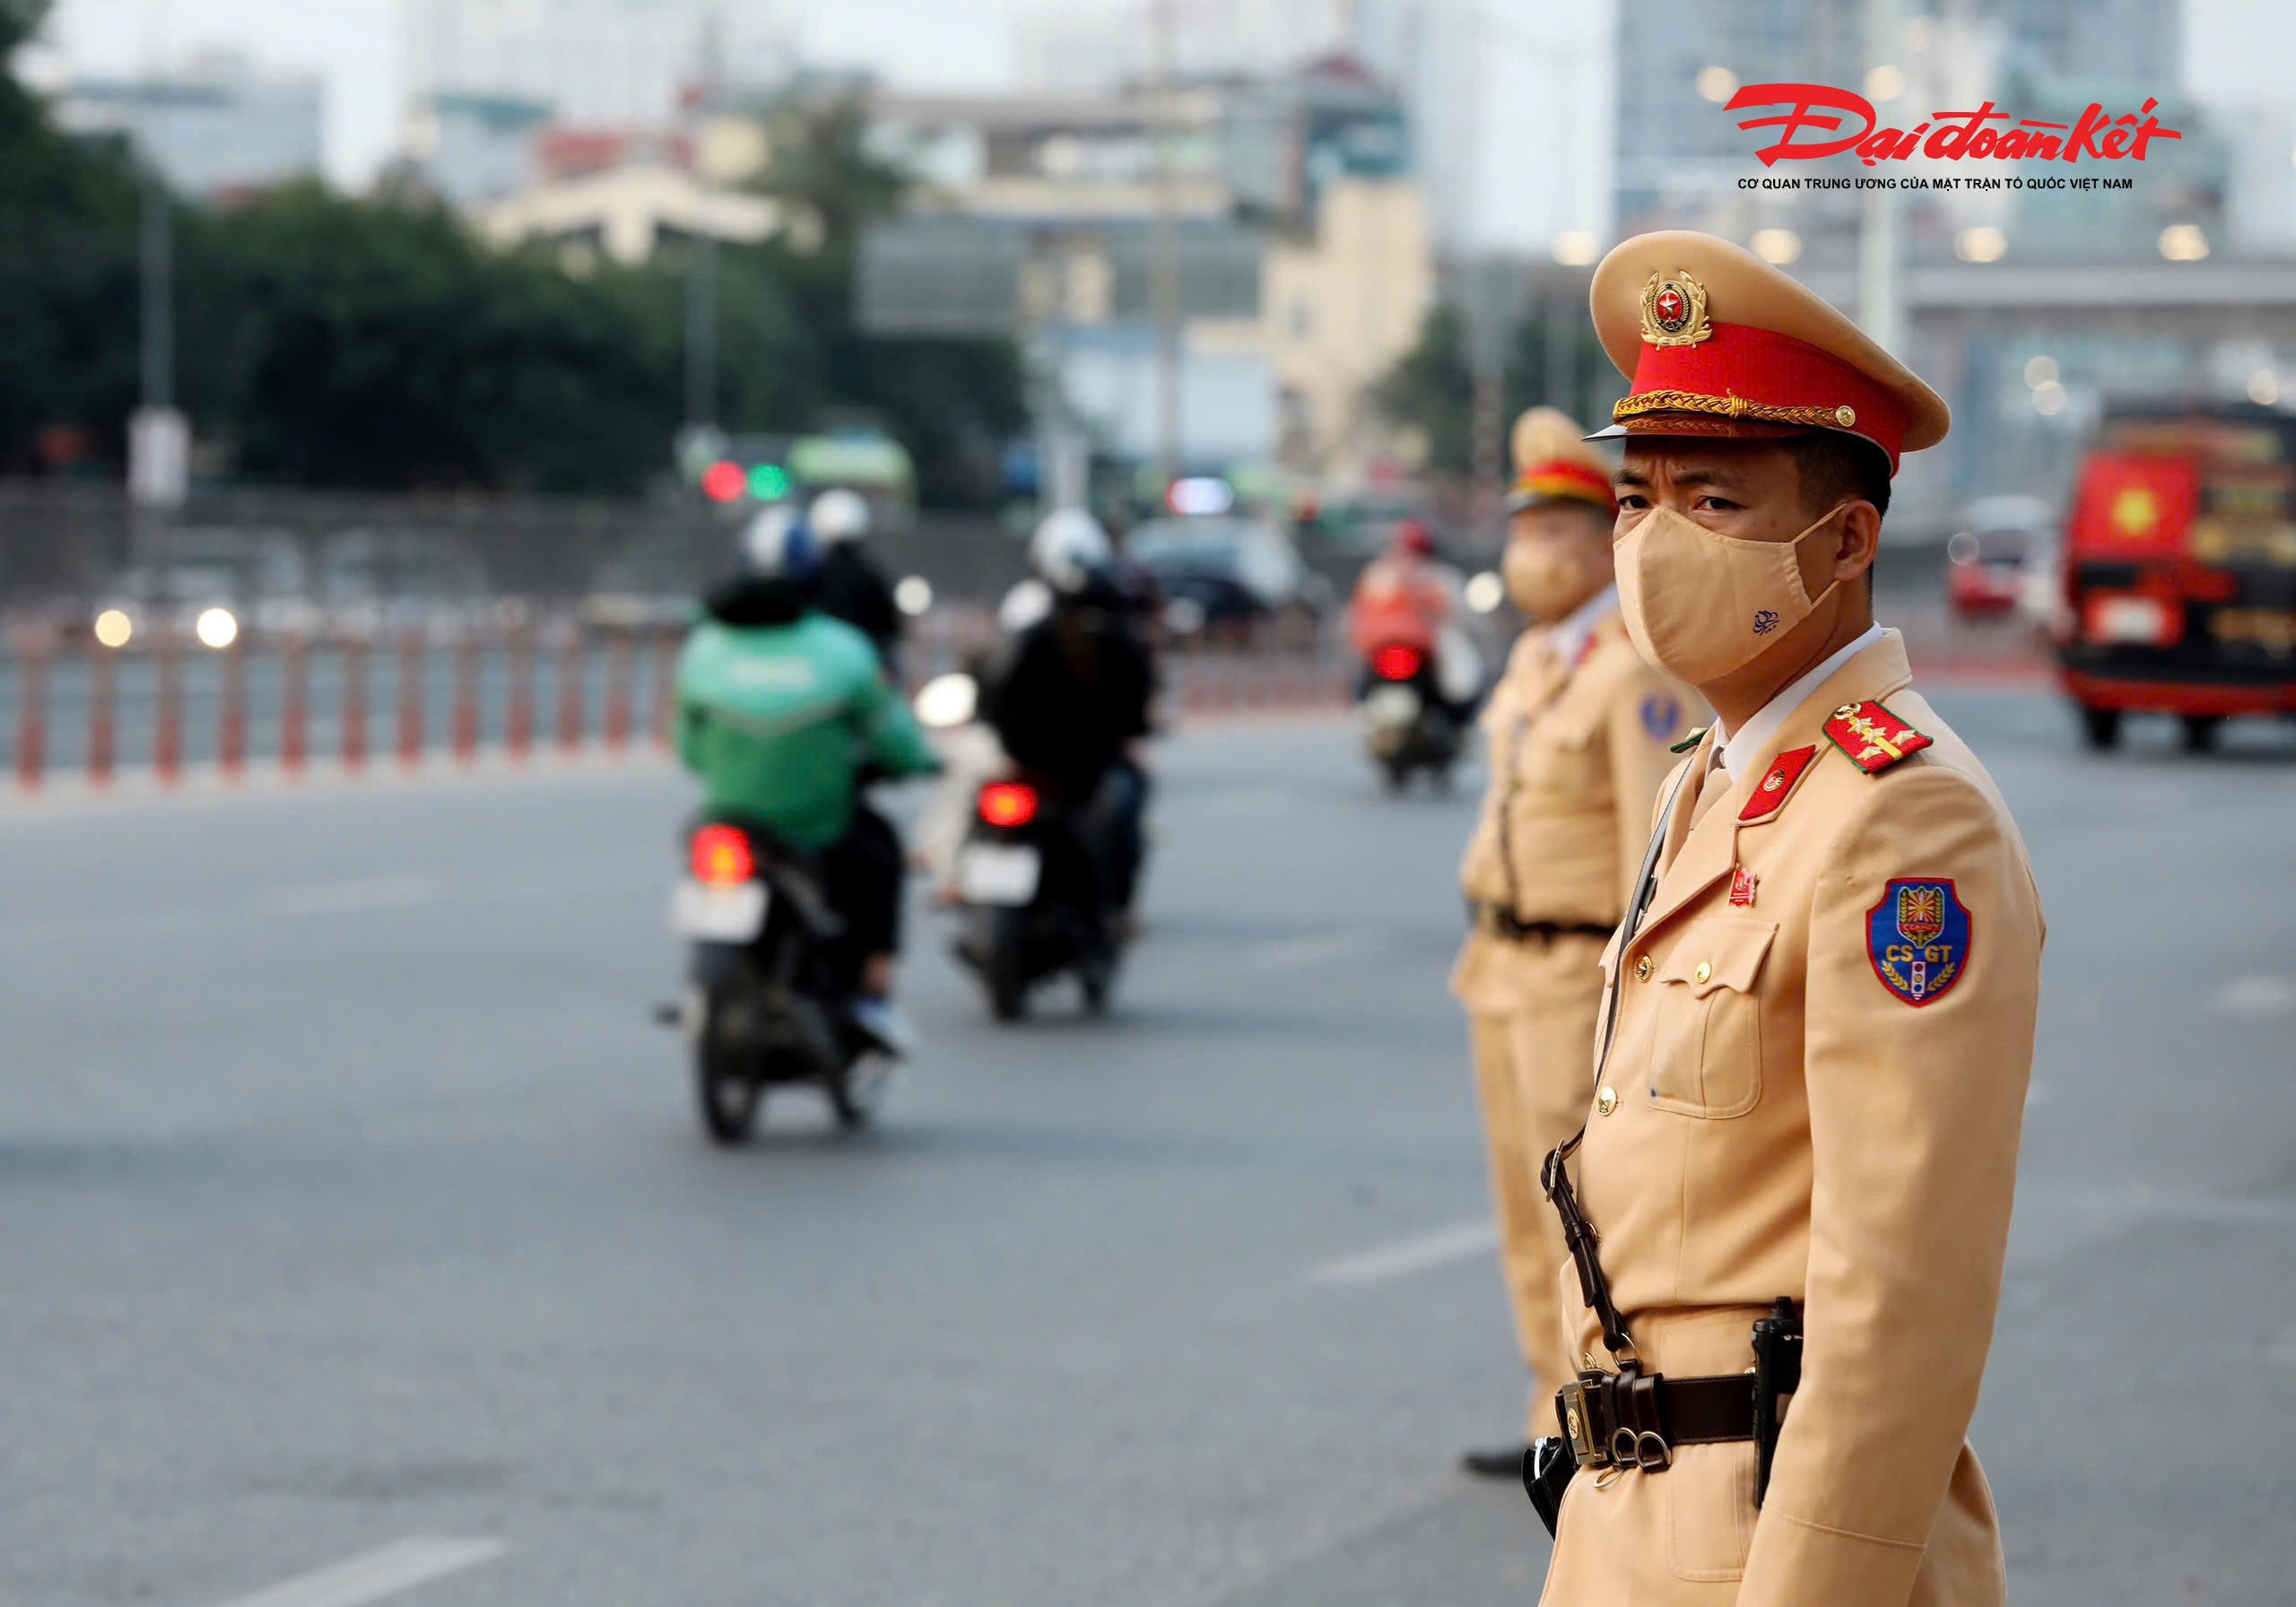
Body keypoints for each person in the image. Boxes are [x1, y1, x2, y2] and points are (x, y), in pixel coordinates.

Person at [1531, 231, 2044, 1607]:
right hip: (1627, 1524)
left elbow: (1900, 1296)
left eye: (1712, 500)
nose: (1652, 544)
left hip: (1773, 1540)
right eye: (1639, 499)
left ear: (1845, 541)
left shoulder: (1902, 814)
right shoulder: (1714, 782)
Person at [1449, 407, 1697, 1480]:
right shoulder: (1539, 656)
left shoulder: (1631, 667)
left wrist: (1632, 1004)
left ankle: (1601, 1410)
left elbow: (1656, 846)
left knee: (1582, 1212)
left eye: (1558, 528)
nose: (1533, 551)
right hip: (1499, 966)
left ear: (1603, 538)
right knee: (1519, 1198)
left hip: (1574, 968)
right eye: (1525, 527)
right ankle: (1545, 1407)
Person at [674, 507, 939, 1054]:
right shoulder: (843, 651)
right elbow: (898, 741)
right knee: (881, 853)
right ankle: (870, 991)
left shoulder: (704, 648)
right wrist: (919, 763)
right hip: (817, 828)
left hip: (730, 817)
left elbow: (689, 750)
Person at [978, 529, 1157, 928]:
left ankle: (1111, 911)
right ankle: (1115, 911)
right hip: (1049, 772)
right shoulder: (1107, 643)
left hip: (1047, 768)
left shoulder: (1041, 637)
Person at [1347, 519, 1476, 719]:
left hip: (1422, 649)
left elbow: (1457, 615)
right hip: (1393, 648)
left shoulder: (1436, 577)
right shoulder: (1382, 574)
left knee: (1460, 681)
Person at [806, 487, 904, 672]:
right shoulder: (872, 576)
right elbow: (892, 629)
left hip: (819, 672)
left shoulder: (810, 576)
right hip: (864, 672)